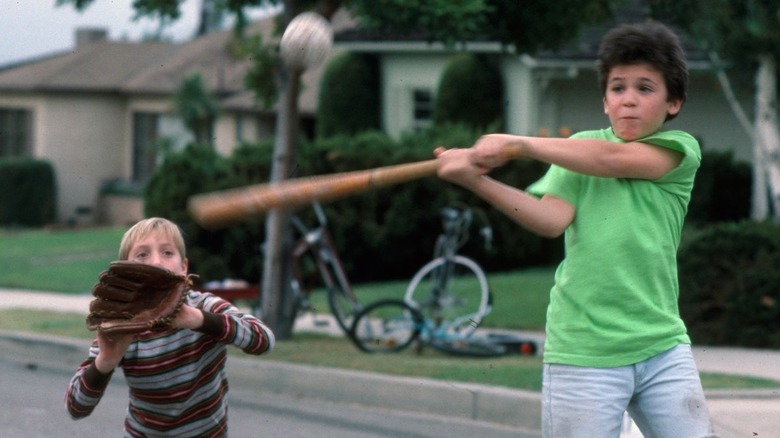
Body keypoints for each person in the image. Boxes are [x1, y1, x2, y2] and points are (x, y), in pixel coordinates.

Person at [435, 22, 716, 437]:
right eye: (618, 88)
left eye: (645, 88)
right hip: (584, 349)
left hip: (661, 345)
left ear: (673, 103)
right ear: (604, 100)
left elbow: (612, 161)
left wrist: (519, 144)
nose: (629, 101)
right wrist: (475, 180)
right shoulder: (579, 152)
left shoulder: (678, 151)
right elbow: (550, 221)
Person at [65, 217, 275, 437]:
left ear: (184, 267)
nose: (156, 262)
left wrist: (198, 320)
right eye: (142, 254)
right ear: (126, 272)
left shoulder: (203, 306)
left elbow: (265, 340)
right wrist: (105, 361)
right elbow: (76, 408)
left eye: (167, 252)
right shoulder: (121, 324)